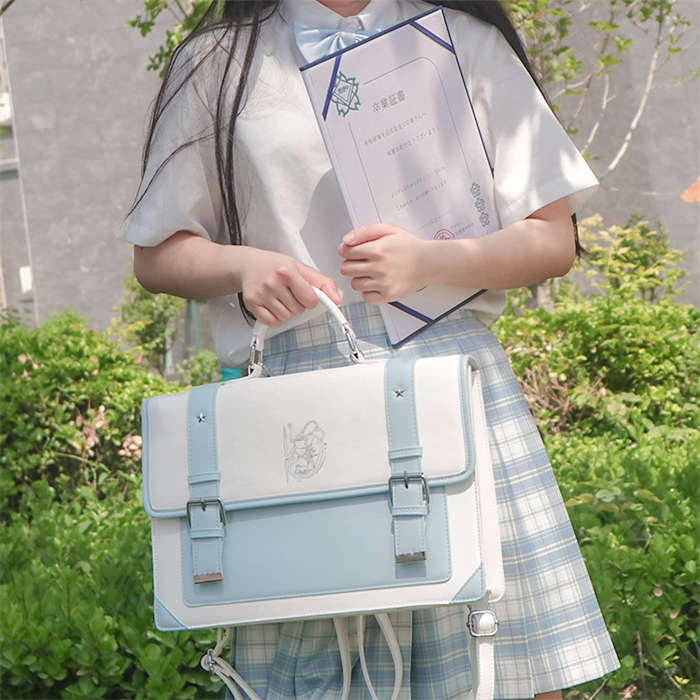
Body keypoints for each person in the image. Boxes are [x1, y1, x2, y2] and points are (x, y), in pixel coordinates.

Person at [124, 0, 620, 697]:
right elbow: (156, 253)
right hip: (301, 404)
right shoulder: (218, 62)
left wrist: (431, 262)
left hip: (451, 382)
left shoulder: (461, 39)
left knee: (505, 673)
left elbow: (552, 237)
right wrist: (243, 267)